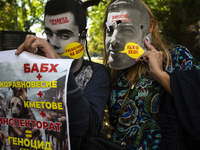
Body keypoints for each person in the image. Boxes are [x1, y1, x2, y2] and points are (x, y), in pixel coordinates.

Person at [103, 0, 200, 149]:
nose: (115, 40)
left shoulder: (176, 57)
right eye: (110, 29)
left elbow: (195, 102)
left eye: (126, 29)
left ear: (149, 26)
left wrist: (160, 75)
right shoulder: (113, 72)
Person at [16, 0, 110, 146]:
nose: (53, 43)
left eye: (64, 36)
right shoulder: (35, 74)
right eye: (48, 34)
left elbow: (85, 127)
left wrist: (59, 68)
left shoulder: (96, 73)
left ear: (82, 39)